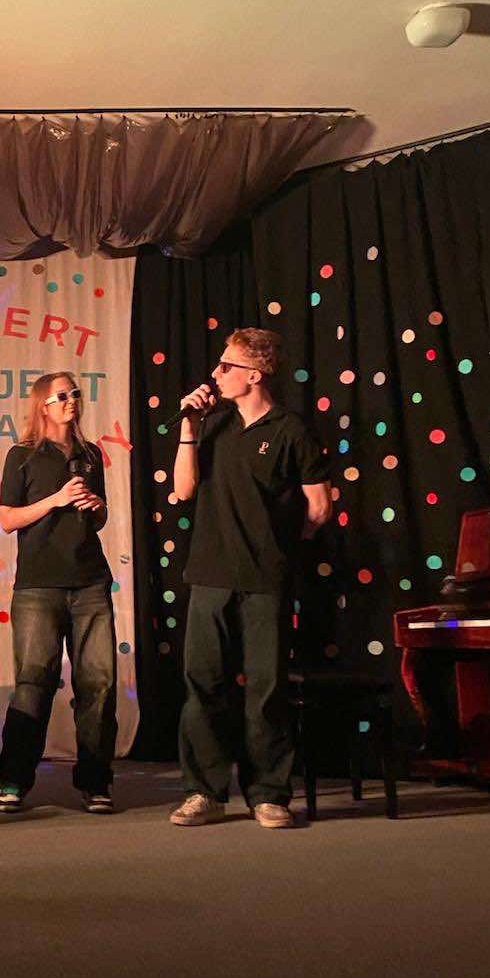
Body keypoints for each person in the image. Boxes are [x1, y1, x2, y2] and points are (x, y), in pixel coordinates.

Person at [169, 328, 333, 828]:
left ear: (254, 375)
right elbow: (183, 489)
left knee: (266, 687)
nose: (215, 374)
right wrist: (188, 426)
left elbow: (320, 508)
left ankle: (268, 795)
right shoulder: (212, 423)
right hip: (210, 573)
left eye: (226, 366)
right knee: (204, 684)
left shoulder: (291, 430)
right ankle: (204, 792)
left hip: (266, 578)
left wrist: (278, 543)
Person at [0, 371, 118, 815]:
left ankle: (95, 783)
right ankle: (13, 781)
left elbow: (98, 520)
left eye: (75, 394)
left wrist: (97, 507)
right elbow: (8, 519)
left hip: (90, 583)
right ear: (42, 406)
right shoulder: (23, 455)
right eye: (62, 395)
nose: (72, 401)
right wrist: (56, 499)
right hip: (38, 587)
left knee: (98, 684)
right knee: (34, 683)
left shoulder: (91, 454)